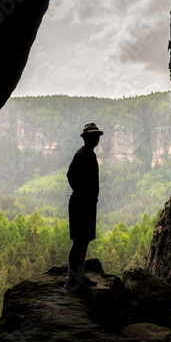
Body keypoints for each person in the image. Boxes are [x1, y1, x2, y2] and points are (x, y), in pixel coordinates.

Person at [65, 122, 103, 291]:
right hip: (80, 203)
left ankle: (79, 274)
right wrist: (79, 193)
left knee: (85, 239)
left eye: (97, 136)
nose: (96, 139)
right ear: (86, 138)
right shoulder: (82, 154)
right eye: (93, 136)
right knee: (79, 240)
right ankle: (72, 278)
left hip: (87, 203)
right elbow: (69, 173)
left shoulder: (89, 154)